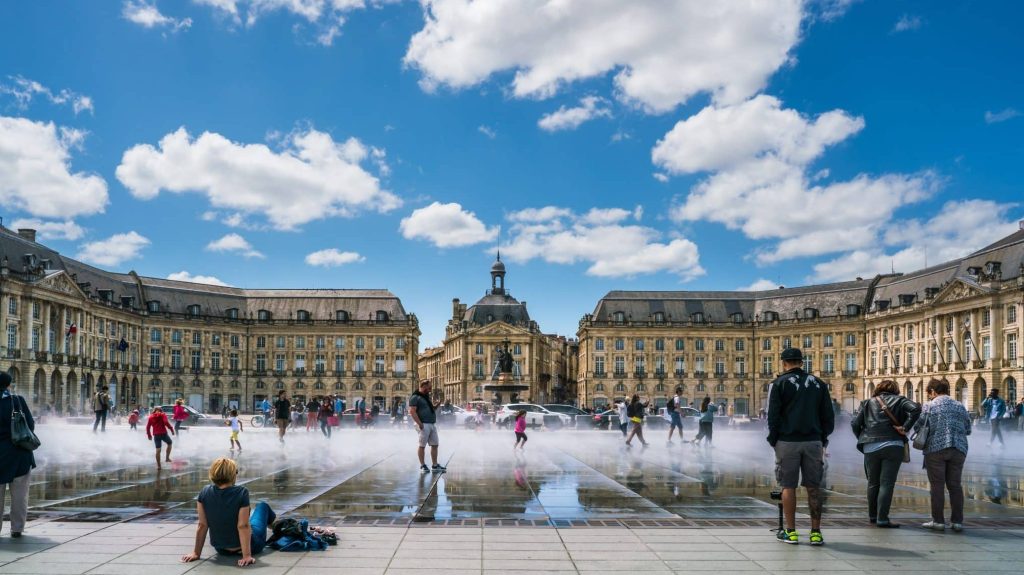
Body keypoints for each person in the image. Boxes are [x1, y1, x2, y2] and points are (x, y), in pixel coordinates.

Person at [767, 348, 835, 546]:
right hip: (813, 441)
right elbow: (828, 417)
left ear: (784, 363)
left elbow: (773, 417)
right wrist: (822, 438)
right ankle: (816, 533)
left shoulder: (778, 383)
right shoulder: (818, 383)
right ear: (801, 362)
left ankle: (791, 532)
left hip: (787, 441)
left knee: (788, 486)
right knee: (814, 488)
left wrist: (774, 440)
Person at [181, 458, 276, 567]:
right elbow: (243, 526)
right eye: (236, 472)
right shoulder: (241, 492)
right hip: (252, 545)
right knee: (262, 506)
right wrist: (246, 556)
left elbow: (202, 525)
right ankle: (278, 527)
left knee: (249, 518)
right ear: (233, 475)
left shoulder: (204, 492)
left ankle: (276, 526)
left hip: (221, 548)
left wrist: (196, 553)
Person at [851, 379, 921, 528]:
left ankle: (872, 516)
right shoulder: (900, 400)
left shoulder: (867, 403)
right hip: (893, 445)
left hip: (870, 446)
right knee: (887, 484)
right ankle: (882, 518)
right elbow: (915, 409)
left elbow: (855, 423)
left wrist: (863, 437)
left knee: (873, 483)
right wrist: (905, 427)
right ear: (895, 390)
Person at [915, 378, 971, 532]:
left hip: (935, 449)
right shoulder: (960, 406)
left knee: (937, 486)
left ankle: (938, 521)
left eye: (929, 393)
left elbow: (919, 425)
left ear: (933, 391)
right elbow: (968, 429)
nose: (929, 396)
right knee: (955, 486)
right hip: (959, 448)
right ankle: (957, 521)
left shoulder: (929, 406)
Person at [0, 372, 34, 538]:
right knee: (20, 494)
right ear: (8, 384)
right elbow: (31, 425)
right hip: (19, 453)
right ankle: (17, 528)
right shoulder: (17, 400)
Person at [409, 380, 445, 474]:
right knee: (422, 445)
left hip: (431, 424)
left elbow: (432, 408)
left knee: (435, 444)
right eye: (429, 387)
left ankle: (435, 465)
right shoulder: (415, 397)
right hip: (423, 424)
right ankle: (423, 465)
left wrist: (437, 404)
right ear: (423, 386)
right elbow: (412, 411)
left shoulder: (426, 397)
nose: (430, 390)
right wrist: (419, 423)